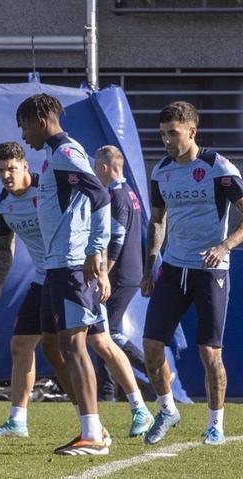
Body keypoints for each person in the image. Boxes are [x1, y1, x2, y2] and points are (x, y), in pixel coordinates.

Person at [0, 142, 152, 441]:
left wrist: (100, 270)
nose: (6, 175)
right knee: (24, 345)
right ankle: (18, 420)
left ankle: (139, 407)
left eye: (11, 168)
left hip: (74, 272)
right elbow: (4, 245)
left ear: (25, 166)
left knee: (100, 341)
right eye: (0, 170)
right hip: (44, 278)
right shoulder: (2, 202)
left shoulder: (49, 189)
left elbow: (89, 218)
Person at [141, 101, 243, 446]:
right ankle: (167, 410)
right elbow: (157, 220)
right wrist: (151, 265)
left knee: (210, 354)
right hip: (173, 268)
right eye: (162, 134)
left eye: (172, 133)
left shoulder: (217, 166)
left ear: (192, 131)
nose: (166, 140)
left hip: (210, 271)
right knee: (150, 347)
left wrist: (224, 246)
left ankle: (215, 425)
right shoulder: (160, 170)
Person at [16, 93, 111, 455]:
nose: (24, 135)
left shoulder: (67, 153)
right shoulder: (54, 157)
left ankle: (93, 434)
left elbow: (100, 198)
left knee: (75, 344)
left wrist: (94, 251)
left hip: (72, 264)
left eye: (25, 126)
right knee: (54, 346)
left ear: (41, 120)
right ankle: (93, 426)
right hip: (55, 266)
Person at [92, 145, 152, 402]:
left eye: (96, 167)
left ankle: (154, 370)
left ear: (104, 167)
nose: (96, 173)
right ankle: (107, 394)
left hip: (121, 275)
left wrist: (103, 273)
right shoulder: (130, 193)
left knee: (109, 332)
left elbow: (116, 240)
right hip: (128, 273)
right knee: (99, 332)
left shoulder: (117, 196)